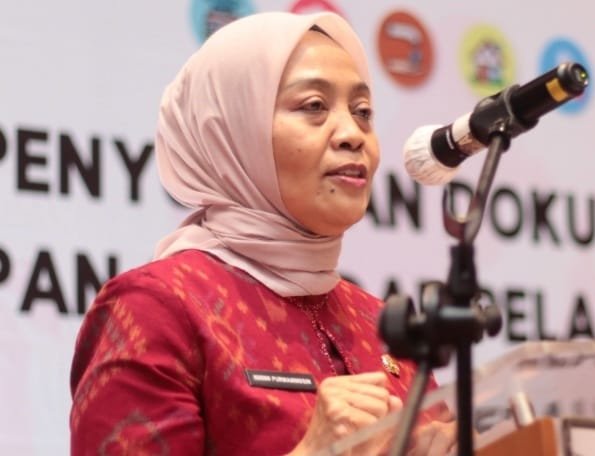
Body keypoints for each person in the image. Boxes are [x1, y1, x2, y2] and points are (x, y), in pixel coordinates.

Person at [69, 11, 454, 455]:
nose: (353, 134)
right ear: (234, 129)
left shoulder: (379, 322)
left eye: (363, 112)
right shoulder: (158, 307)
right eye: (314, 106)